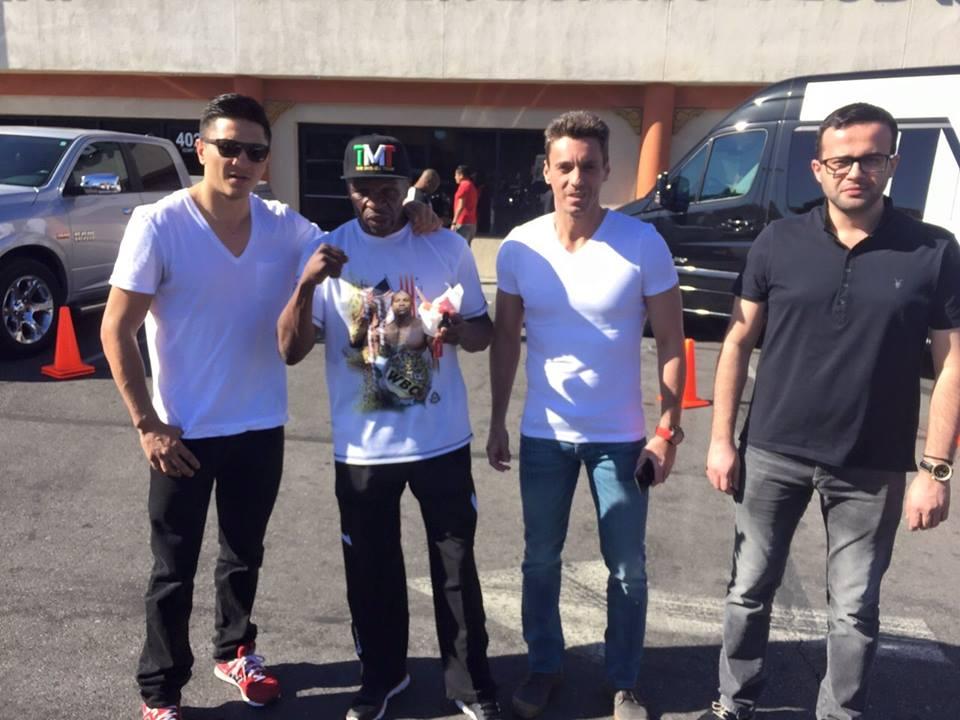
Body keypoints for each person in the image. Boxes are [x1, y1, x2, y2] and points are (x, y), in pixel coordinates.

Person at [101, 95, 438, 720]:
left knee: (243, 555)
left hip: (259, 425)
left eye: (254, 151)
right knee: (173, 568)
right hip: (183, 430)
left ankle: (235, 650)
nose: (241, 161)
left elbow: (354, 243)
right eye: (228, 148)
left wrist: (412, 209)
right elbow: (115, 329)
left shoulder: (284, 226)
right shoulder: (159, 224)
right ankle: (161, 689)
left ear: (265, 160)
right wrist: (147, 424)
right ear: (201, 149)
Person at [699, 102, 960, 720]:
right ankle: (734, 702)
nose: (856, 172)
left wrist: (936, 469)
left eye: (871, 158)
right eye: (841, 161)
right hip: (772, 452)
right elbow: (737, 340)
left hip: (871, 464)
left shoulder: (933, 250)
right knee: (747, 590)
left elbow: (952, 362)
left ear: (893, 164)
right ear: (818, 169)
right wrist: (721, 439)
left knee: (853, 611)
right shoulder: (777, 240)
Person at [277, 134, 504, 720]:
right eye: (362, 189)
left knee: (455, 566)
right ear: (348, 191)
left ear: (408, 189)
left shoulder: (445, 246)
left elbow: (483, 332)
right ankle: (382, 677)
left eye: (386, 189)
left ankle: (470, 684)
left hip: (441, 440)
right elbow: (290, 350)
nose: (374, 201)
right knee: (371, 571)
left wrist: (456, 332)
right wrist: (306, 285)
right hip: (363, 448)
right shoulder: (327, 252)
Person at [486, 110, 686, 720]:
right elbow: (505, 338)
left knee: (626, 569)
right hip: (544, 435)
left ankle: (624, 680)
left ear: (606, 170)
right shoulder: (520, 245)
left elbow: (672, 343)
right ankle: (544, 667)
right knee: (539, 560)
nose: (578, 178)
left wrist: (667, 431)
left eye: (589, 166)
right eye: (566, 166)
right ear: (547, 171)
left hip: (620, 440)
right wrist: (497, 421)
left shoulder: (642, 244)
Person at [452, 164, 479, 244]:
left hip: (463, 222)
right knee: (465, 248)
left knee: (459, 247)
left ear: (461, 175)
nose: (455, 177)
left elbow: (460, 205)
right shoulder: (472, 186)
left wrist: (454, 222)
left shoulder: (464, 185)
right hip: (472, 222)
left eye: (456, 175)